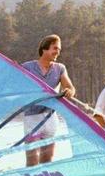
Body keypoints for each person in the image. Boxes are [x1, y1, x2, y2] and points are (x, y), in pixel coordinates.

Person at [21, 34, 76, 166]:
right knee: (32, 159)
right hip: (31, 119)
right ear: (44, 49)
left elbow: (70, 88)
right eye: (55, 48)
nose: (57, 52)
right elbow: (14, 81)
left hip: (50, 118)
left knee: (47, 160)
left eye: (59, 49)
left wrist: (69, 91)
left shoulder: (60, 68)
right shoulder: (27, 67)